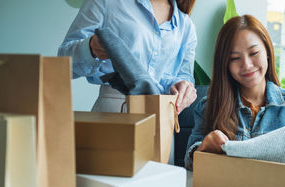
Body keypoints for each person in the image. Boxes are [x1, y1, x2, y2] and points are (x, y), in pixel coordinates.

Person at [184, 15, 285, 169]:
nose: (247, 65)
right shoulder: (208, 107)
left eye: (254, 53)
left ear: (267, 52)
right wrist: (203, 148)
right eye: (235, 58)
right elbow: (190, 165)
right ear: (225, 64)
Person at [58, 0, 197, 113]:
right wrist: (90, 48)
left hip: (163, 116)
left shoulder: (186, 26)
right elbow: (63, 62)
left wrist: (184, 90)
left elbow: (185, 77)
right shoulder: (107, 2)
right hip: (114, 112)